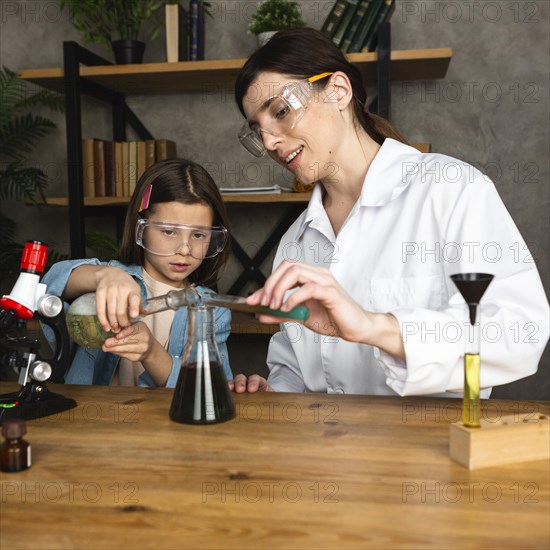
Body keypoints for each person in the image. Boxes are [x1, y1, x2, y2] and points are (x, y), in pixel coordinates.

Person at [231, 28, 549, 395]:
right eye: (258, 130)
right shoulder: (295, 243)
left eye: (281, 111)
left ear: (338, 90)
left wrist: (373, 326)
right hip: (320, 449)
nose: (270, 142)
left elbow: (519, 330)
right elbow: (293, 369)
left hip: (429, 445)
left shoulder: (450, 188)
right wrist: (273, 392)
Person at [43, 159, 234, 388]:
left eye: (199, 235)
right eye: (169, 231)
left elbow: (207, 390)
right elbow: (47, 289)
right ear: (140, 228)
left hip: (164, 424)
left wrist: (151, 352)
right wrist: (103, 276)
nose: (184, 249)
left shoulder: (213, 311)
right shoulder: (110, 282)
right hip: (92, 421)